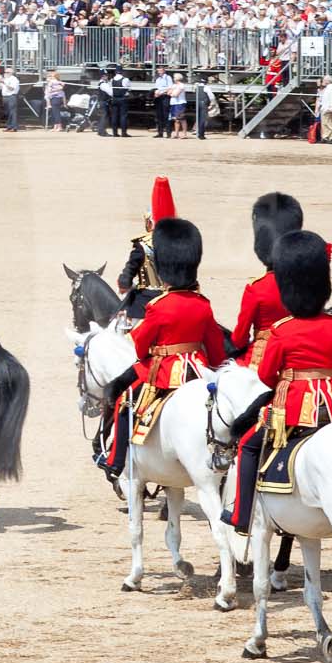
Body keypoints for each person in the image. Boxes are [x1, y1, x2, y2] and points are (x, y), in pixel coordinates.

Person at [226, 231, 332, 534]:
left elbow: (264, 375)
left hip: (293, 408)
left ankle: (242, 516)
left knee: (248, 446)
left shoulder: (281, 330)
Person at [96, 216, 226, 488]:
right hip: (199, 369)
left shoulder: (158, 305)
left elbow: (140, 347)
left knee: (124, 403)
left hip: (164, 371)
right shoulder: (203, 304)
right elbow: (215, 350)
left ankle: (116, 460)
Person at [230, 191, 303, 370]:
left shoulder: (257, 288)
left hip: (262, 361)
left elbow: (239, 339)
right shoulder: (304, 281)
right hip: (300, 355)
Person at [115, 176, 174, 317]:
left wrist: (124, 283)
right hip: (177, 298)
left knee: (122, 327)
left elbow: (129, 272)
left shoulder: (142, 244)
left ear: (149, 222)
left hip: (148, 299)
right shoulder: (182, 242)